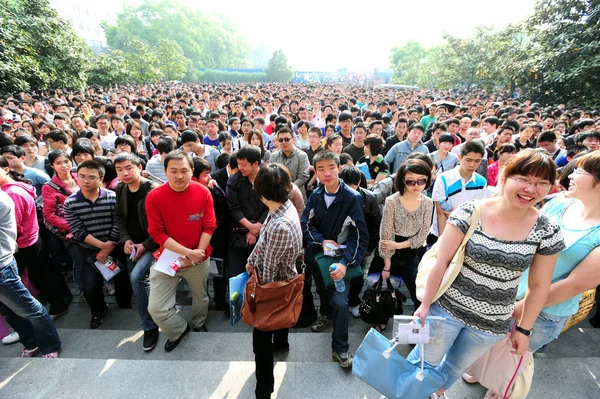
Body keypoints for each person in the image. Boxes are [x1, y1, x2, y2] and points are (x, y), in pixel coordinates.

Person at [412, 149, 565, 399]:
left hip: (491, 323)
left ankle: (433, 393)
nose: (531, 189)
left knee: (453, 369)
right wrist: (425, 305)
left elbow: (539, 286)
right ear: (506, 176)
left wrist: (524, 331)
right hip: (446, 308)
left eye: (541, 183)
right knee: (422, 363)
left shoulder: (547, 229)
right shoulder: (471, 211)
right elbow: (442, 261)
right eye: (524, 179)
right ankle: (408, 392)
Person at [300, 151, 369, 368]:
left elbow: (360, 235)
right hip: (319, 257)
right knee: (322, 290)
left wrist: (344, 263)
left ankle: (340, 349)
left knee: (341, 301)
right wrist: (321, 241)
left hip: (341, 260)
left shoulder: (352, 197)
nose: (326, 173)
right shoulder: (316, 195)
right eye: (320, 169)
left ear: (339, 168)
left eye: (330, 167)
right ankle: (325, 314)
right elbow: (306, 225)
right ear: (315, 171)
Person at [146, 151, 216, 352]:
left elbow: (209, 226)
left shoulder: (203, 192)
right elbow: (156, 233)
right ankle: (178, 329)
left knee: (201, 296)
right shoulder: (154, 196)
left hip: (199, 256)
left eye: (184, 170)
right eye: (173, 171)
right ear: (165, 171)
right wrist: (187, 252)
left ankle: (199, 323)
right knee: (156, 308)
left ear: (192, 171)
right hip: (167, 258)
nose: (179, 176)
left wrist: (197, 254)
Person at [244, 163, 303, 399]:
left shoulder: (280, 224)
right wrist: (251, 260)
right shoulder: (283, 206)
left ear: (261, 192)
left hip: (276, 285)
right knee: (280, 319)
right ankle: (281, 344)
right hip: (286, 277)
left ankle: (264, 390)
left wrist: (257, 296)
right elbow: (263, 245)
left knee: (260, 339)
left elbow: (268, 270)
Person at [64, 160, 132, 329]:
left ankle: (125, 307)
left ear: (101, 179)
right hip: (89, 251)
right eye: (82, 177)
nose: (86, 181)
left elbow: (119, 222)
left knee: (122, 281)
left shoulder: (113, 197)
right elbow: (78, 230)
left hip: (115, 247)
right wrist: (102, 247)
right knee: (90, 287)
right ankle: (99, 311)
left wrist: (109, 246)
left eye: (91, 177)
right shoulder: (70, 203)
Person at [0, 155, 71, 317]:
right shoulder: (16, 187)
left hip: (23, 243)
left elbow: (12, 227)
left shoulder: (11, 194)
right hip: (31, 237)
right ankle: (59, 302)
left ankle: (54, 306)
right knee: (43, 272)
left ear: (6, 170)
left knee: (42, 275)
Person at [370, 159, 434, 325]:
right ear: (402, 180)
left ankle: (416, 328)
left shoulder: (428, 203)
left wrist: (398, 245)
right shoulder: (392, 200)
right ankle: (380, 320)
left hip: (411, 254)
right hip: (387, 254)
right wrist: (387, 266)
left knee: (418, 294)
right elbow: (386, 235)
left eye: (421, 180)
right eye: (410, 181)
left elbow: (422, 237)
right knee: (382, 290)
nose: (416, 185)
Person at [0, 189, 62, 358]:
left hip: (2, 268)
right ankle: (31, 342)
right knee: (9, 311)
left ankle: (50, 345)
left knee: (29, 309)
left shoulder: (4, 198)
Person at [114, 153, 160, 352]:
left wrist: (145, 245)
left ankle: (149, 326)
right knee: (145, 281)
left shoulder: (153, 191)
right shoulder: (121, 189)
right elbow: (120, 218)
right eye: (119, 170)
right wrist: (126, 240)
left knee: (137, 277)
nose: (125, 173)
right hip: (133, 245)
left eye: (129, 168)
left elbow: (162, 225)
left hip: (155, 244)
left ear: (139, 167)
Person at [338, 166, 382, 319]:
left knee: (357, 275)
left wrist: (370, 246)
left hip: (360, 244)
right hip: (339, 242)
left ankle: (353, 301)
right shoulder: (335, 195)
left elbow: (376, 224)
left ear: (358, 183)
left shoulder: (369, 198)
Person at [429, 141, 488, 247]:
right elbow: (440, 213)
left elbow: (477, 210)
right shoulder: (444, 179)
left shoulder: (481, 182)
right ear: (460, 157)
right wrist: (442, 242)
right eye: (468, 160)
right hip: (442, 233)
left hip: (466, 234)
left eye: (477, 161)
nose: (472, 165)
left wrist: (456, 214)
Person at [226, 146, 268, 278]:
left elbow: (270, 206)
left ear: (255, 163)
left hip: (264, 234)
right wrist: (250, 227)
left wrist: (256, 228)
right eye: (238, 164)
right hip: (238, 234)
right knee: (236, 275)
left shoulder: (268, 178)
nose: (240, 168)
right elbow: (233, 208)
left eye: (243, 165)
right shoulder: (234, 181)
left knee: (259, 275)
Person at [269, 127, 310, 200]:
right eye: (281, 140)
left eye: (287, 139)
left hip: (297, 195)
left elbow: (303, 177)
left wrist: (288, 189)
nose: (284, 142)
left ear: (293, 139)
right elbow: (271, 175)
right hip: (278, 196)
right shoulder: (273, 156)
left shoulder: (302, 155)